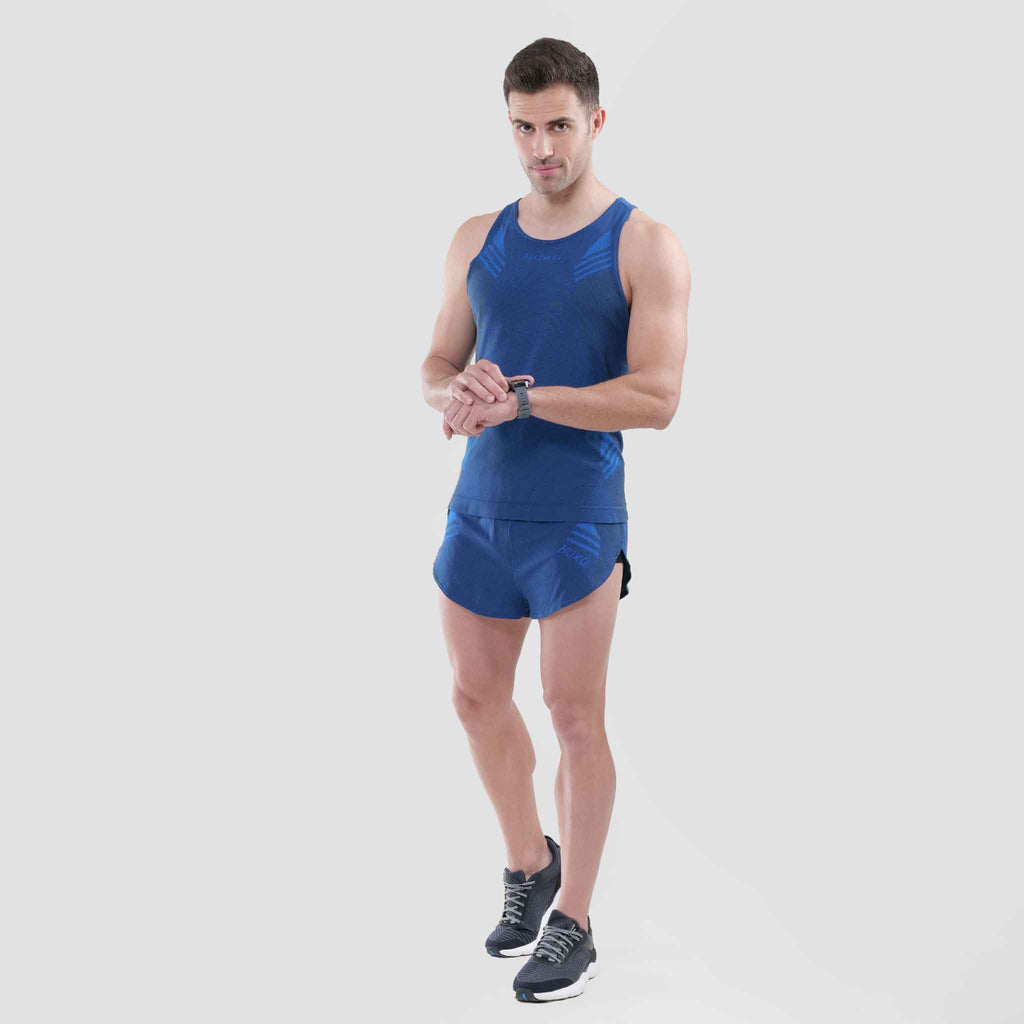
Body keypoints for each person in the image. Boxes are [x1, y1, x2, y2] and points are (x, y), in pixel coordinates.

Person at [420, 37, 690, 1003]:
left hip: (576, 516)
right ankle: (530, 864)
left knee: (575, 718)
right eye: (525, 128)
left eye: (560, 126)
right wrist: (458, 392)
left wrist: (527, 400)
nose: (543, 147)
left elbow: (658, 397)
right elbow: (435, 365)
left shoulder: (644, 243)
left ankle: (573, 920)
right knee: (473, 700)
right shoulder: (475, 237)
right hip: (481, 507)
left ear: (596, 121)